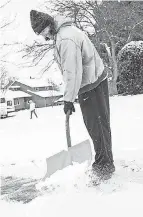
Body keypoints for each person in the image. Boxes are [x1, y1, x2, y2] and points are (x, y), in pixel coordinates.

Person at [30, 10, 115, 179]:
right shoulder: (63, 33)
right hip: (92, 83)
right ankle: (105, 161)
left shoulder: (66, 38)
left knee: (97, 126)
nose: (43, 36)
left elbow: (72, 72)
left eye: (42, 32)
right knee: (99, 125)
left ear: (47, 25)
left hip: (92, 85)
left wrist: (68, 99)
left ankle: (104, 165)